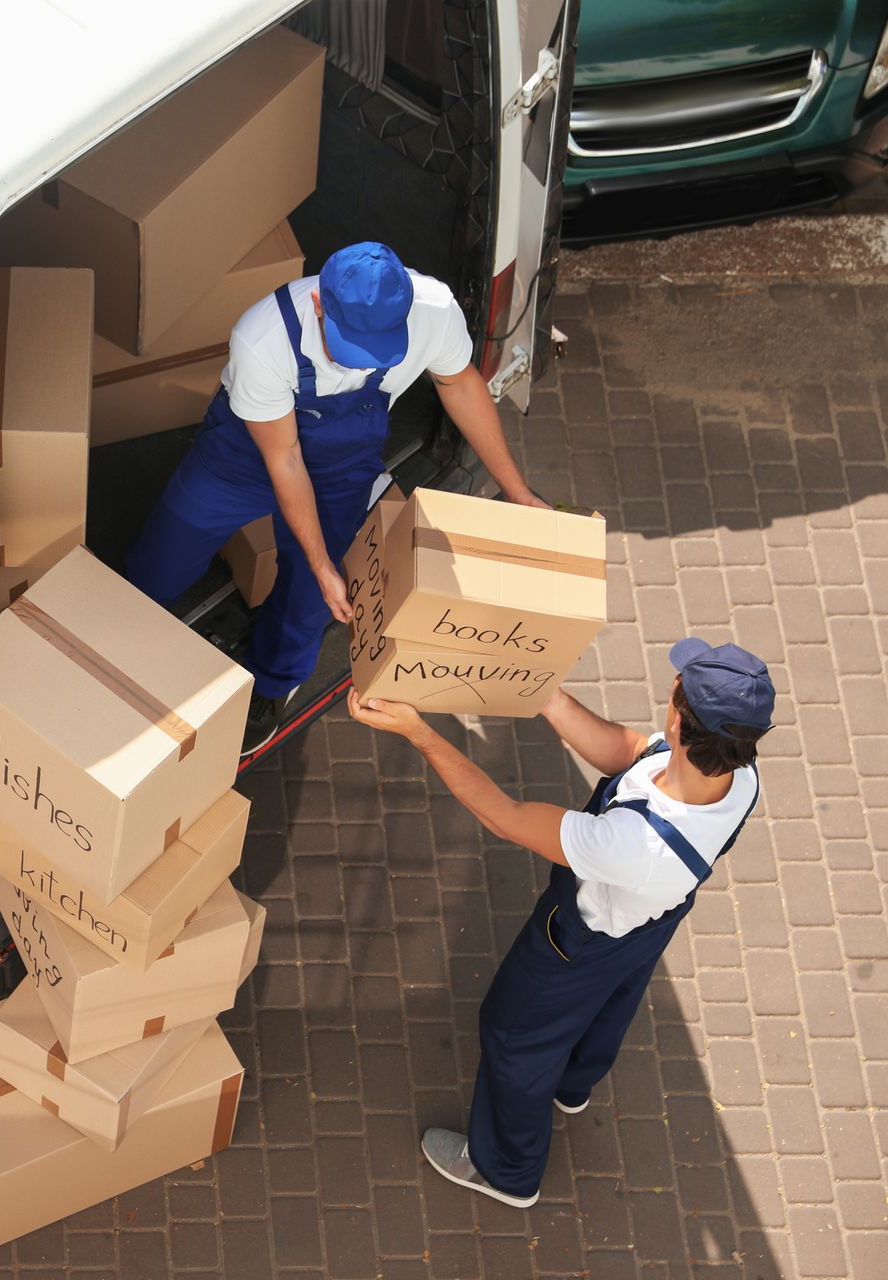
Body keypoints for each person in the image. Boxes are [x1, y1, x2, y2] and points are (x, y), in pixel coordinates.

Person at [348, 639, 772, 1208]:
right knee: (611, 1002)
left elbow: (504, 817)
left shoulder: (632, 845)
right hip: (648, 921)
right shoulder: (737, 775)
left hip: (577, 942)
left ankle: (506, 1169)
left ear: (679, 715)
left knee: (513, 1035)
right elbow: (626, 750)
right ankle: (573, 1084)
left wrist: (418, 732)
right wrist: (544, 695)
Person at [124, 241, 552, 753]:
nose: (361, 361)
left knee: (313, 597)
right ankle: (120, 634)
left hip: (341, 466)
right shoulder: (265, 338)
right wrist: (321, 557)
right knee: (166, 551)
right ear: (320, 304)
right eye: (348, 343)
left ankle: (271, 686)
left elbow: (459, 383)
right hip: (247, 452)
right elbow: (284, 460)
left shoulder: (433, 311)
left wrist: (518, 490)